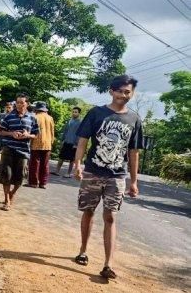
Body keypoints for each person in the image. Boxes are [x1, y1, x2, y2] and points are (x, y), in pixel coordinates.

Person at [73, 75, 143, 280]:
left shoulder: (134, 119)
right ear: (111, 91)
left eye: (127, 92)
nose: (123, 95)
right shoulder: (96, 113)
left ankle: (107, 264)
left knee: (111, 217)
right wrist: (78, 164)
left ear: (132, 93)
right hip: (93, 171)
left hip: (117, 176)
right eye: (120, 91)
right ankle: (83, 250)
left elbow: (133, 152)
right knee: (88, 212)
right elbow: (83, 140)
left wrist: (134, 181)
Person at [0, 94, 39, 211]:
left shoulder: (32, 118)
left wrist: (27, 135)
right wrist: (11, 133)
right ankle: (7, 200)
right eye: (18, 102)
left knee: (20, 176)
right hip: (8, 149)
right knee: (6, 175)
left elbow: (35, 135)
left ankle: (13, 193)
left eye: (22, 102)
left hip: (23, 151)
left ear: (27, 104)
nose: (19, 105)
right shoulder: (9, 117)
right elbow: (1, 131)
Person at [27, 102, 55, 188]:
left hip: (36, 143)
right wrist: (51, 142)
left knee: (34, 164)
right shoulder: (50, 118)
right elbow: (52, 132)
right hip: (47, 143)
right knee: (45, 164)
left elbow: (31, 130)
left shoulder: (34, 117)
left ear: (37, 109)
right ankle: (43, 183)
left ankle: (33, 183)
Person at [54, 107, 82, 177]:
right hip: (66, 142)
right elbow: (65, 131)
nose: (74, 113)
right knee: (61, 157)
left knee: (71, 159)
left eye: (76, 112)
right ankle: (57, 171)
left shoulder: (80, 122)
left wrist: (76, 143)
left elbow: (79, 134)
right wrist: (62, 140)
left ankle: (68, 173)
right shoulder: (69, 121)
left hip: (73, 144)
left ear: (79, 113)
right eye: (73, 112)